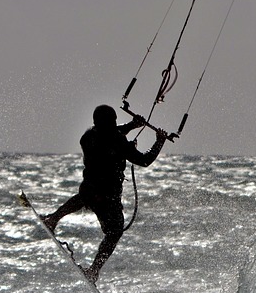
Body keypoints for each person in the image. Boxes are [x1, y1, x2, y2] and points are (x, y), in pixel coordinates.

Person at [43, 104, 167, 283]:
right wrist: (159, 141)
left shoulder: (87, 137)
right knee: (115, 231)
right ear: (112, 122)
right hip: (107, 197)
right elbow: (145, 160)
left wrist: (131, 126)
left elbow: (107, 133)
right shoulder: (118, 141)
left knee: (83, 198)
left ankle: (53, 219)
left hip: (89, 191)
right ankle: (94, 270)